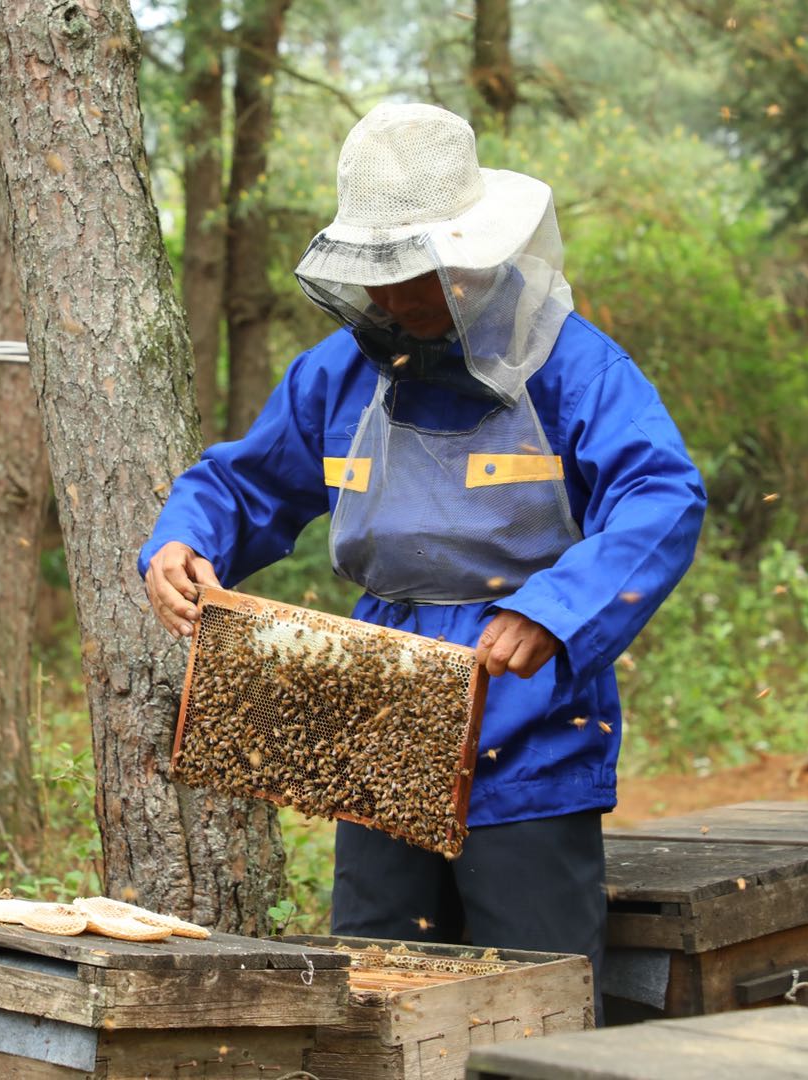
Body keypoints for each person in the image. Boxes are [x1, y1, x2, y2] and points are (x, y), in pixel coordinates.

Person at [139, 102, 706, 1011]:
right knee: (375, 984)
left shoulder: (574, 366)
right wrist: (181, 540)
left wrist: (555, 610)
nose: (394, 298)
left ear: (475, 257)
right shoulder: (337, 373)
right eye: (381, 274)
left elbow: (662, 497)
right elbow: (244, 482)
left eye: (414, 273)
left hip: (527, 710)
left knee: (536, 993)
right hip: (379, 703)